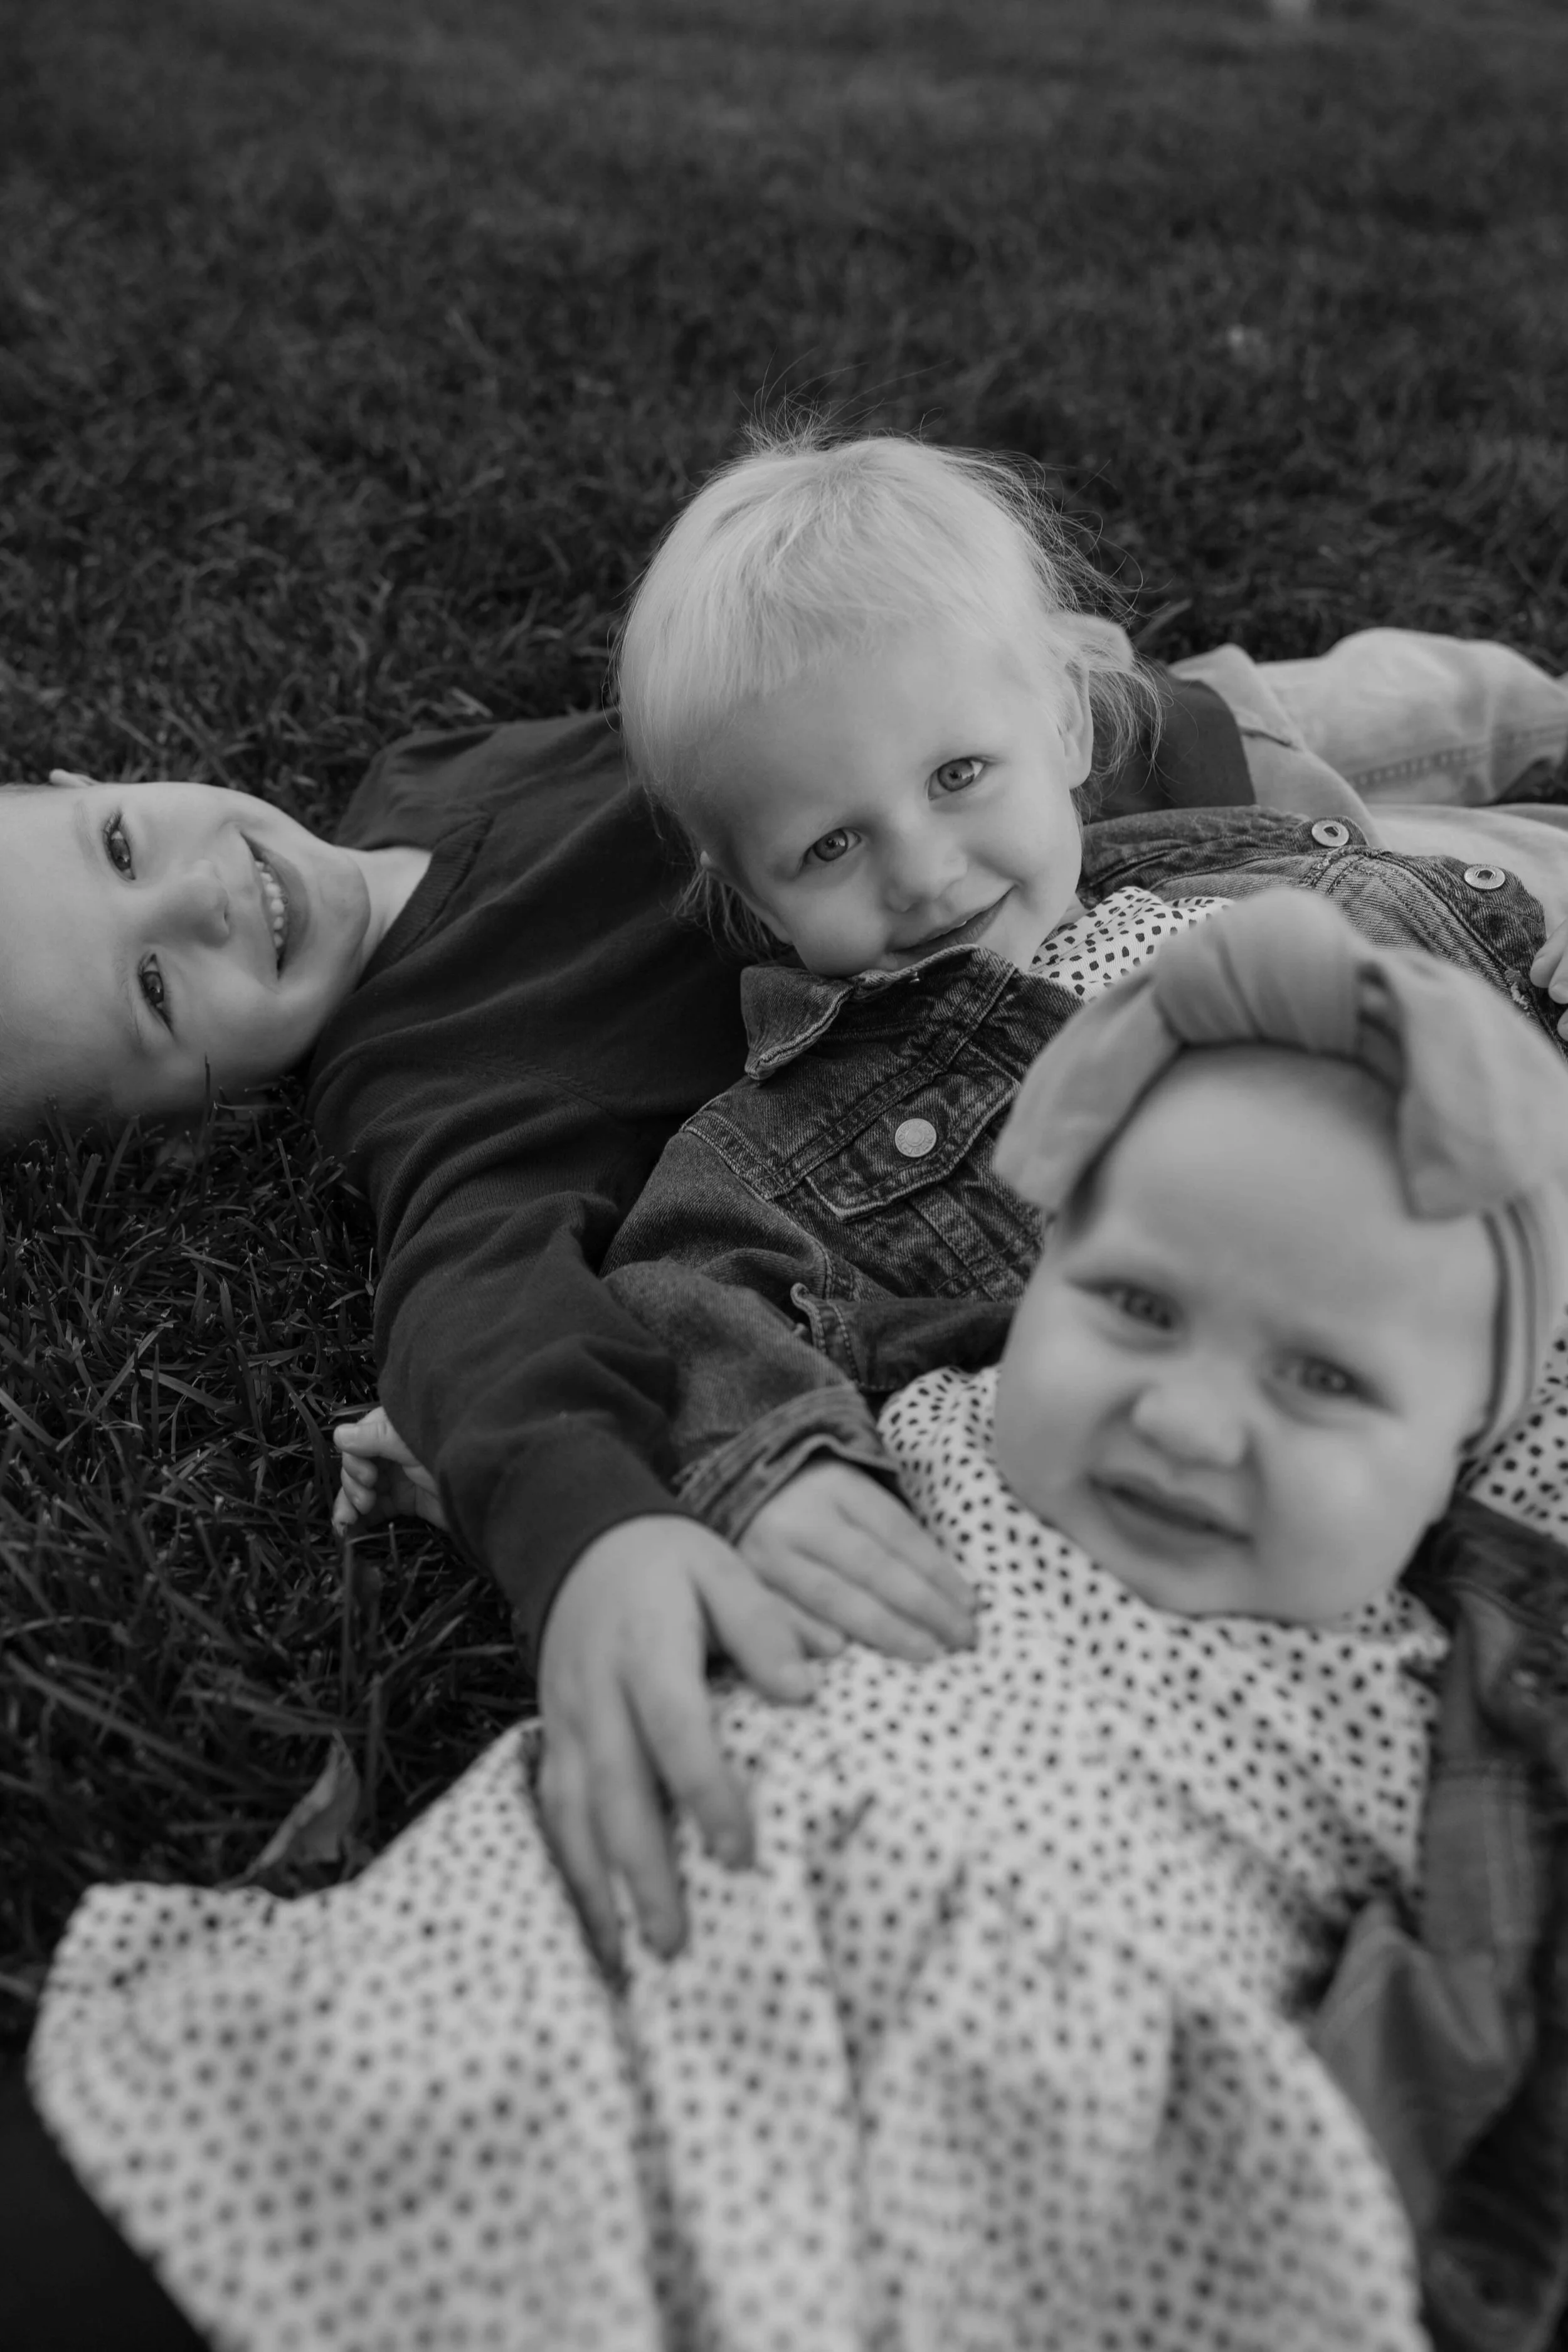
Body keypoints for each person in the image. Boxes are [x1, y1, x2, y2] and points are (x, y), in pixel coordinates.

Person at [9, 433, 1568, 1961]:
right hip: (1190, 891)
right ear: (181, 1139)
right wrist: (587, 1530)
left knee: (1448, 697)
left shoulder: (414, 774)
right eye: (156, 986)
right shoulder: (427, 1080)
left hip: (1102, 740)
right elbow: (473, 1305)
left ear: (102, 778)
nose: (202, 895)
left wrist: (980, 664)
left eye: (123, 842)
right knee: (1502, 877)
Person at [22, 894, 1568, 2351]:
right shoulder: (917, 1421)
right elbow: (695, 1338)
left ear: (1458, 1453)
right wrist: (558, 1485)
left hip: (974, 2194)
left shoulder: (1429, 1697)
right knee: (152, 2203)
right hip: (568, 1973)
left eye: (1322, 1381)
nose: (1185, 1420)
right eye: (1136, 1308)